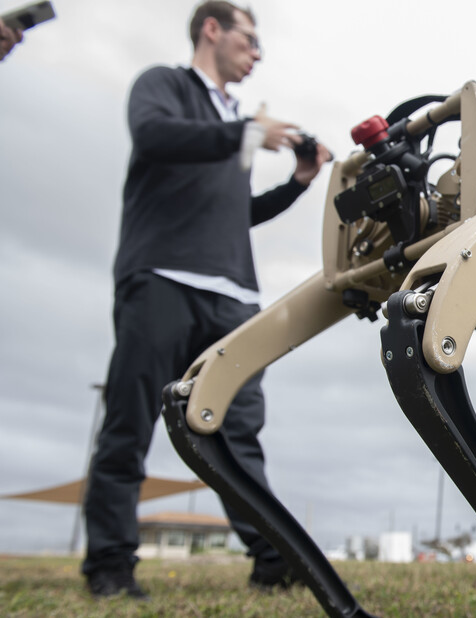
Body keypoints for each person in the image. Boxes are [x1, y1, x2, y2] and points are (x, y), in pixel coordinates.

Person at [83, 1, 331, 599]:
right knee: (130, 421)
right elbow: (153, 135)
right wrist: (245, 132)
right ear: (212, 30)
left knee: (237, 433)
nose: (258, 52)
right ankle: (110, 565)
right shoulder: (163, 86)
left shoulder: (232, 121)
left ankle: (272, 560)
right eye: (250, 39)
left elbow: (236, 214)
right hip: (162, 279)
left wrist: (298, 182)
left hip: (233, 296)